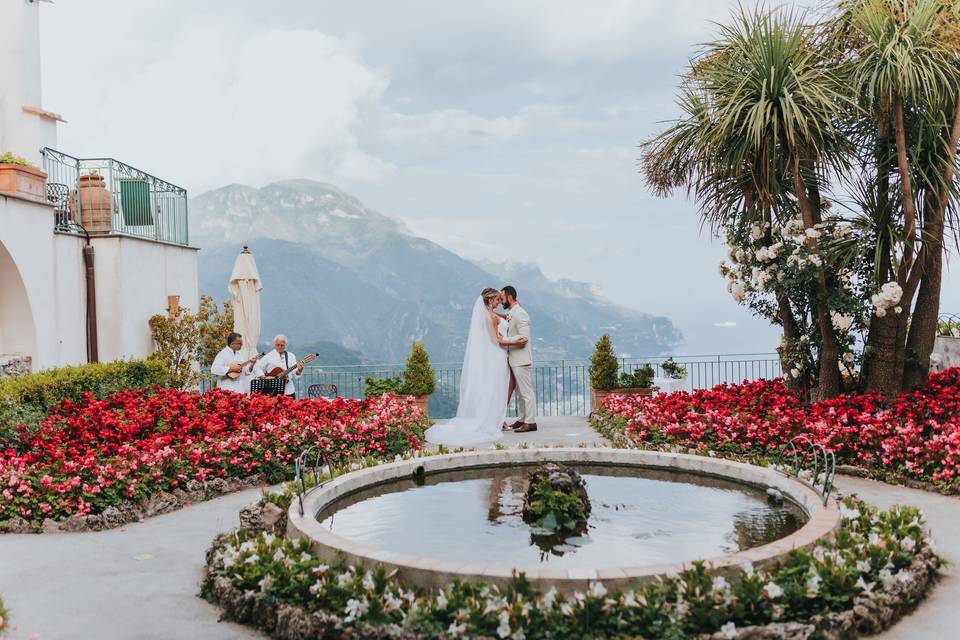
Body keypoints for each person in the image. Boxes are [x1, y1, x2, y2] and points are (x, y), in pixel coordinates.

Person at [424, 288, 528, 446]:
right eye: (497, 300)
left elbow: (501, 323)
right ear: (490, 301)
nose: (499, 302)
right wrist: (516, 340)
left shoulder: (489, 315)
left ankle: (496, 419)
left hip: (498, 355)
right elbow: (496, 340)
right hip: (498, 355)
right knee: (498, 388)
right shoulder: (491, 317)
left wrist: (512, 312)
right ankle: (495, 420)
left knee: (498, 388)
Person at [501, 285, 537, 432]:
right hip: (515, 359)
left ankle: (531, 422)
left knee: (526, 392)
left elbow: (524, 338)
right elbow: (508, 319)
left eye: (502, 298)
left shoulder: (520, 313)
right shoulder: (512, 312)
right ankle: (523, 419)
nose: (501, 301)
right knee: (520, 393)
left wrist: (504, 339)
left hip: (521, 359)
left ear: (510, 297)